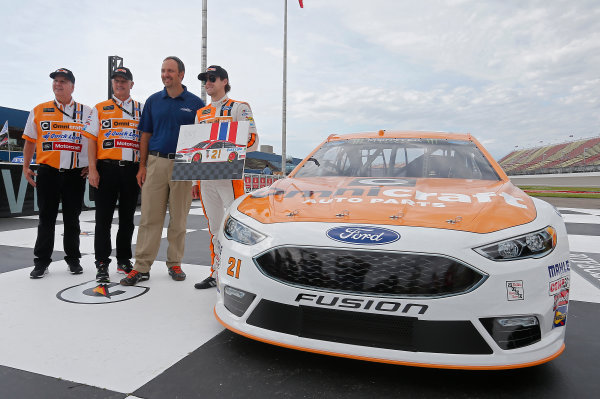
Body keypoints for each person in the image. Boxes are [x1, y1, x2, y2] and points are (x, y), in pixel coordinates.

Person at [120, 56, 205, 286]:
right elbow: (145, 134)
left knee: (179, 218)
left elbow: (204, 139)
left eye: (170, 71)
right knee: (149, 217)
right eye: (163, 71)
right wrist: (142, 165)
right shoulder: (153, 101)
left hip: (185, 164)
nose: (165, 74)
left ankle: (174, 263)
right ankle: (141, 266)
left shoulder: (196, 103)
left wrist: (197, 176)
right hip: (156, 162)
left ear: (181, 74)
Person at [22, 68, 91, 279]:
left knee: (72, 219)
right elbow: (30, 141)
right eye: (55, 81)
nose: (58, 84)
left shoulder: (86, 111)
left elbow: (92, 141)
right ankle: (41, 262)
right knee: (46, 219)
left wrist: (91, 164)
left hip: (74, 174)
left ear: (72, 86)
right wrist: (26, 166)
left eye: (63, 81)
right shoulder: (39, 110)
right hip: (48, 172)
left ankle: (73, 260)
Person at [193, 65, 258, 289]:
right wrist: (194, 179)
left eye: (212, 79)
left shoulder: (239, 107)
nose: (207, 83)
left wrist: (228, 153)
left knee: (234, 227)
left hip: (229, 175)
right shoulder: (201, 113)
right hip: (206, 178)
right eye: (205, 80)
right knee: (213, 228)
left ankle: (238, 274)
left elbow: (252, 140)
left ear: (224, 81)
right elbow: (193, 148)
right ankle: (215, 272)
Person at [83, 67, 143, 283]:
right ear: (112, 84)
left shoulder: (141, 109)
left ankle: (124, 260)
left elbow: (145, 140)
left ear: (131, 85)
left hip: (131, 169)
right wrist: (92, 169)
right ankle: (101, 263)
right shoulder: (100, 108)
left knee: (127, 219)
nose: (119, 84)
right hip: (106, 169)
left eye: (124, 81)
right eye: (116, 81)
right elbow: (91, 139)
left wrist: (143, 166)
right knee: (103, 220)